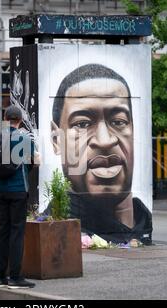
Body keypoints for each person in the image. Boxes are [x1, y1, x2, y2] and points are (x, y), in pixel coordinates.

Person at [49, 63, 153, 244]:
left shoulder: (145, 222)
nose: (105, 141)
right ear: (57, 140)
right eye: (82, 124)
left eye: (119, 121)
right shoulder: (53, 228)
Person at [0, 106, 36, 289]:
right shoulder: (25, 138)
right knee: (17, 233)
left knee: (3, 232)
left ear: (5, 118)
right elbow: (30, 164)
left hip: (2, 189)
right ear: (20, 119)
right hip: (18, 190)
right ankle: (16, 277)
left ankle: (0, 276)